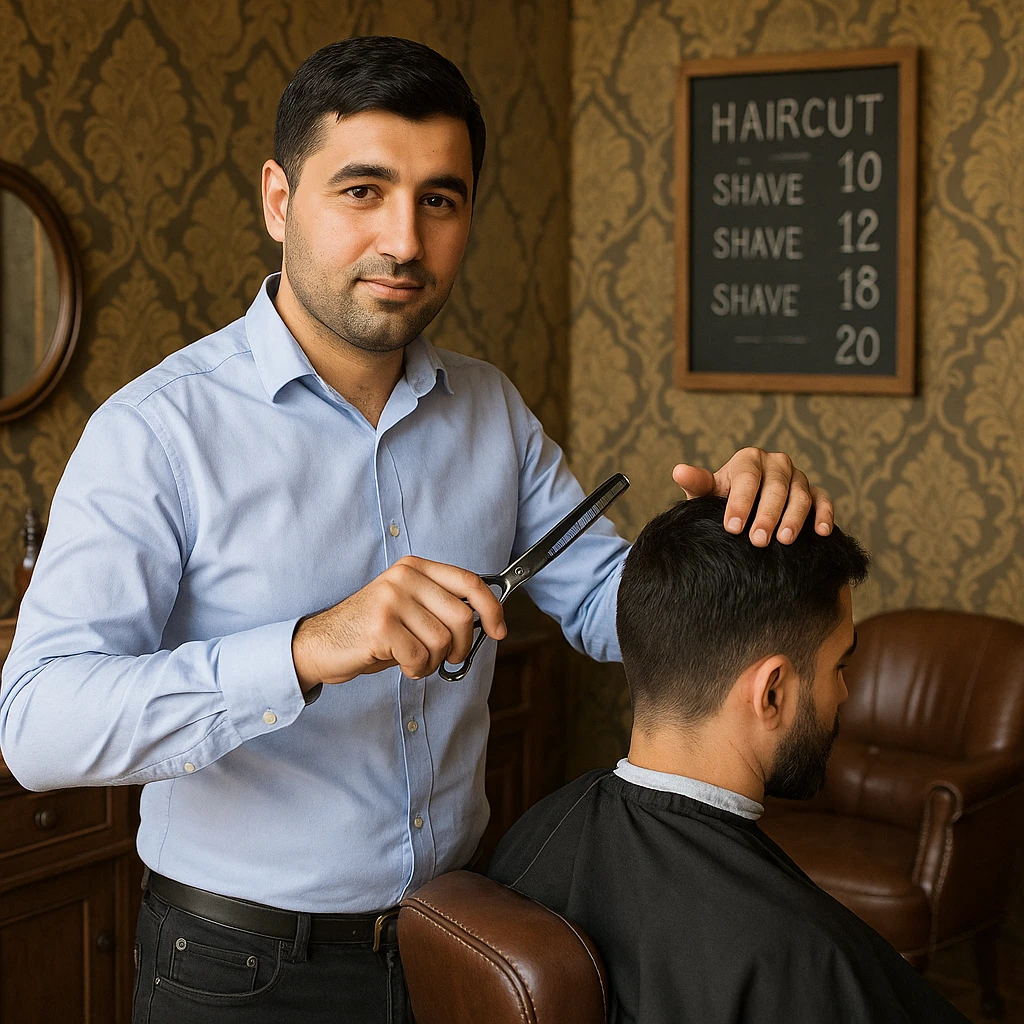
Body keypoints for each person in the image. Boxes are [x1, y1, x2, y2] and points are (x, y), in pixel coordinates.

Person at [0, 37, 832, 1024]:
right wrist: (310, 648)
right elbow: (36, 727)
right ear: (278, 199)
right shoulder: (155, 432)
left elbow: (620, 614)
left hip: (460, 940)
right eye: (362, 190)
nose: (404, 238)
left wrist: (733, 530)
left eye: (440, 199)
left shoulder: (492, 409)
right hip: (236, 970)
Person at [488, 495, 969, 1024]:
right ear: (772, 692)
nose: (844, 694)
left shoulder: (535, 834)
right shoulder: (798, 955)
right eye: (839, 667)